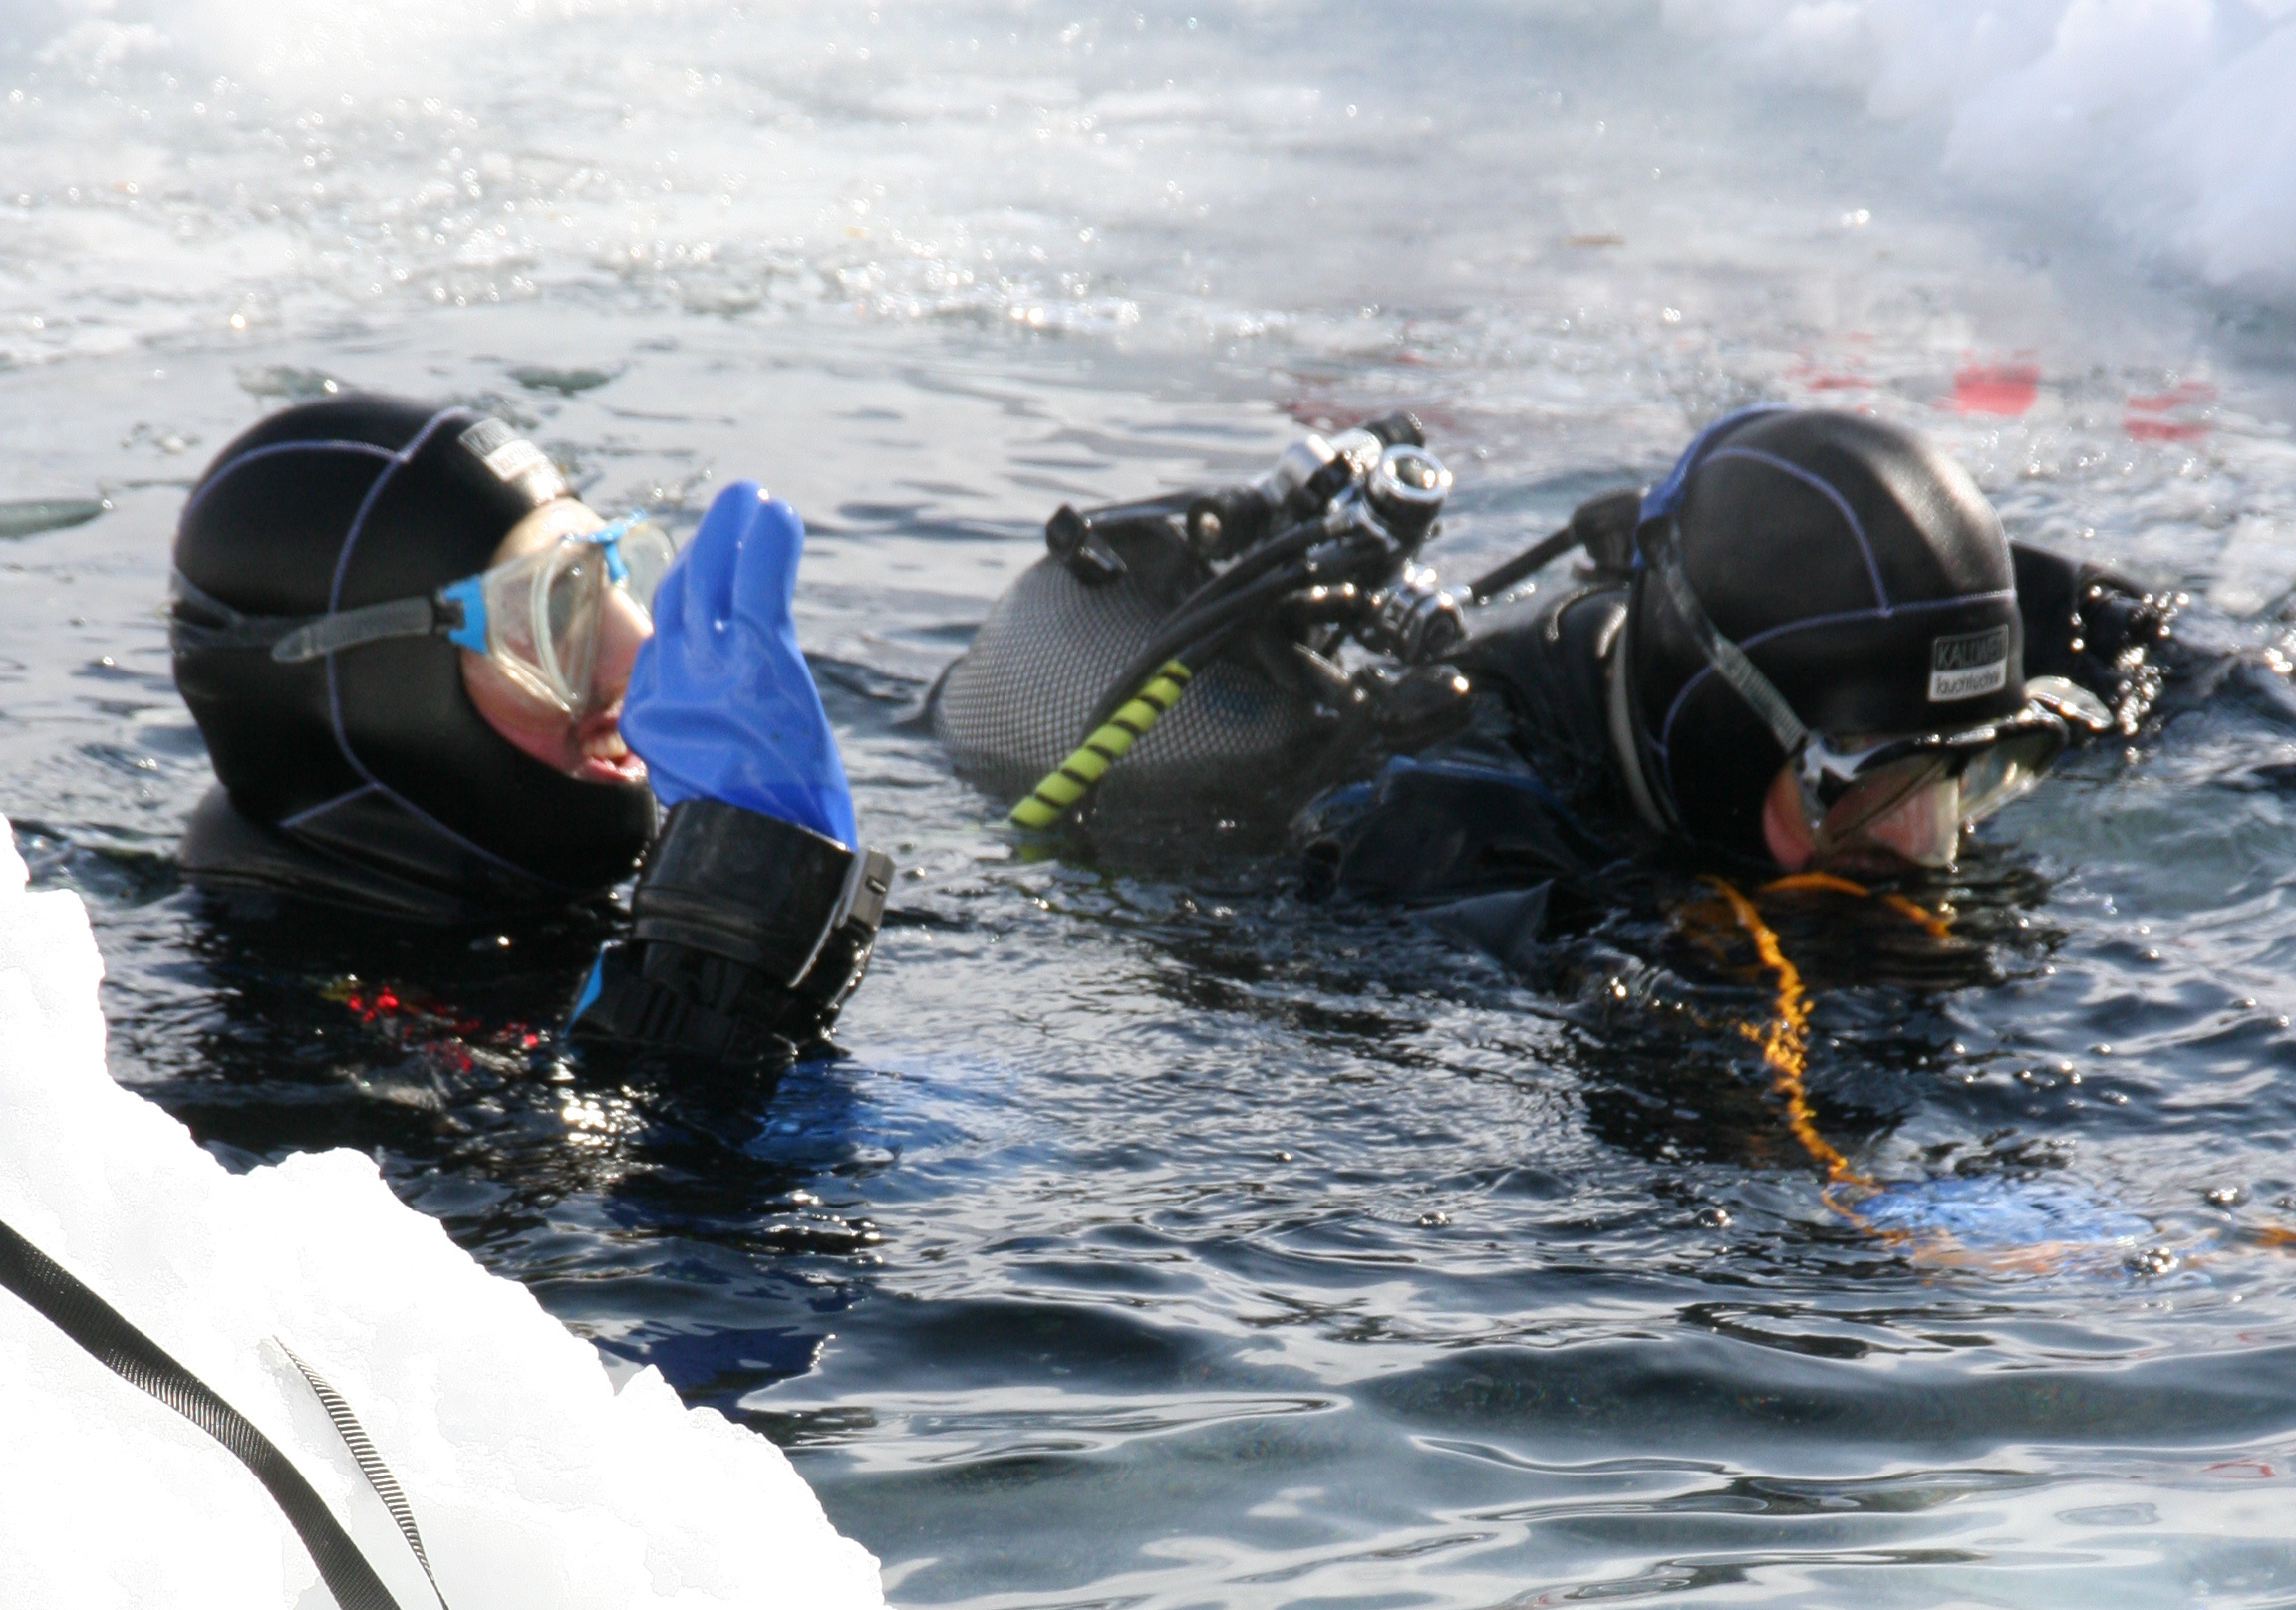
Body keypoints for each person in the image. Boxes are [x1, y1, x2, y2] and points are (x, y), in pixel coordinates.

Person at [933, 402, 2184, 959]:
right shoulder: (1452, 825)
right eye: (1866, 793)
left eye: (1971, 777)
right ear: (1723, 740)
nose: (1926, 849)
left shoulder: (1901, 677)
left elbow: (2120, 643)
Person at [167, 393, 890, 1070]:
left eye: (617, 576)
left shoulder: (537, 912)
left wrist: (775, 885)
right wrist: (738, 950)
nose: (639, 652)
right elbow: (679, 1190)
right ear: (382, 692)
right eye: (548, 618)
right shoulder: (309, 1046)